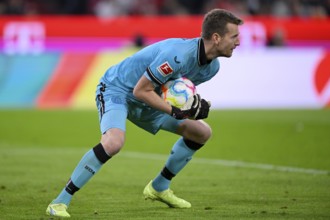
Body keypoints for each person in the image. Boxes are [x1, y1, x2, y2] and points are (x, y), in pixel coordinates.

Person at [46, 8, 242, 218]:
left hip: (149, 99)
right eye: (234, 36)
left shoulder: (212, 68)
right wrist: (177, 111)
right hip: (118, 89)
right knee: (113, 143)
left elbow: (173, 91)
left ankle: (159, 186)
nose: (238, 42)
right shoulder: (178, 55)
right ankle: (59, 202)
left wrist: (192, 107)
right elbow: (140, 90)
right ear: (216, 38)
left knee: (202, 132)